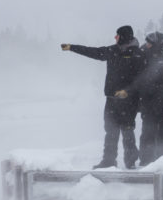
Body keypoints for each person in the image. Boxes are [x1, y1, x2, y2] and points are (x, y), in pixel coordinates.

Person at [61, 25, 145, 169]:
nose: (115, 37)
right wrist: (71, 47)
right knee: (111, 130)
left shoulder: (137, 54)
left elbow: (141, 79)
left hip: (129, 101)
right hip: (111, 99)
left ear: (123, 36)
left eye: (117, 35)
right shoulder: (112, 50)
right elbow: (93, 51)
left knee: (127, 130)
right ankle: (108, 161)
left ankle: (130, 162)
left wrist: (128, 91)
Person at [117, 32, 163, 165]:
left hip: (162, 100)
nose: (147, 44)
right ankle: (147, 160)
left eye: (149, 42)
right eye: (147, 42)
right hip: (149, 100)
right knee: (150, 131)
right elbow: (138, 79)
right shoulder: (143, 56)